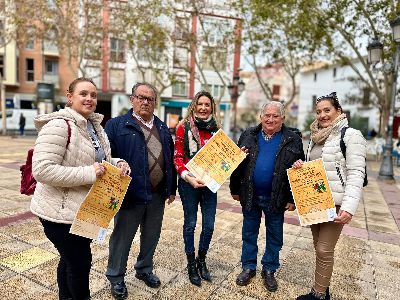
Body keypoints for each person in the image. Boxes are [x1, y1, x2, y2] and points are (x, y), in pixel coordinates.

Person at [30, 77, 130, 300]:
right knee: (80, 264)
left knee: (69, 260)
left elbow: (100, 159)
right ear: (70, 97)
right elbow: (42, 170)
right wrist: (89, 173)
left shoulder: (95, 126)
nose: (89, 99)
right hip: (59, 214)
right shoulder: (58, 125)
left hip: (84, 212)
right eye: (83, 94)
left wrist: (118, 163)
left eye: (93, 95)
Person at [105, 82, 177, 299]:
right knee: (122, 238)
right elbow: (107, 158)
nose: (145, 102)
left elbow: (170, 160)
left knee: (151, 236)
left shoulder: (163, 127)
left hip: (157, 194)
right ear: (132, 99)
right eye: (141, 97)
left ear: (155, 103)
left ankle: (144, 270)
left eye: (150, 99)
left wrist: (171, 188)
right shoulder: (116, 125)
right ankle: (116, 277)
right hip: (130, 195)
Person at [292, 92, 366, 300]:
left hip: (336, 203)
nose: (322, 115)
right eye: (319, 112)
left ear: (338, 111)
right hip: (317, 201)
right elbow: (319, 166)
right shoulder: (316, 137)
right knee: (319, 248)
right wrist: (302, 166)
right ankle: (323, 289)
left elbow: (356, 172)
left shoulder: (351, 135)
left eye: (327, 110)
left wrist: (348, 208)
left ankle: (317, 295)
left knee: (324, 250)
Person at [230, 101, 304, 292]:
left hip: (276, 197)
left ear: (282, 119)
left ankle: (269, 270)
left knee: (275, 236)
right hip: (250, 194)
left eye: (275, 116)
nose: (270, 119)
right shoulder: (248, 135)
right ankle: (248, 267)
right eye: (267, 115)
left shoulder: (293, 139)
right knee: (248, 233)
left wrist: (292, 198)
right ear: (261, 117)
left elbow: (300, 170)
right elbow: (236, 164)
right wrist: (234, 189)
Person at [174, 90, 221, 286]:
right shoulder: (182, 128)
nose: (203, 108)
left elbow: (221, 158)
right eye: (199, 104)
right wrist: (189, 178)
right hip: (189, 184)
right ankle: (191, 264)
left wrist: (236, 154)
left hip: (210, 184)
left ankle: (202, 261)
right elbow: (177, 159)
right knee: (191, 224)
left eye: (207, 105)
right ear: (194, 106)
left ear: (212, 108)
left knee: (209, 226)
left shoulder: (216, 130)